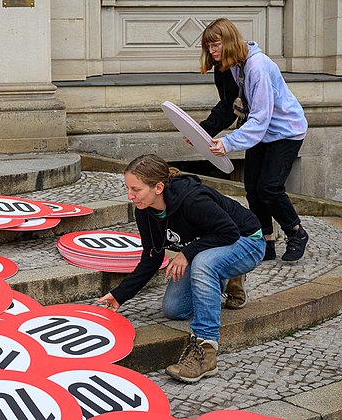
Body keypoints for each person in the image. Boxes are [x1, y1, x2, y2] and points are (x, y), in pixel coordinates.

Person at [97, 154, 264, 383]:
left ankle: (205, 351)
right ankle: (225, 276)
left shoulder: (193, 200)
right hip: (210, 247)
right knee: (174, 309)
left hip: (246, 241)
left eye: (135, 189)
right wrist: (119, 295)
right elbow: (152, 257)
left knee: (204, 263)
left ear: (157, 187)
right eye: (127, 188)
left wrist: (186, 253)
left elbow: (229, 232)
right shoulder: (144, 210)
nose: (130, 195)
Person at [198, 18, 309, 275]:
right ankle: (265, 242)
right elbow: (228, 105)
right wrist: (202, 132)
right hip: (259, 132)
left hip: (285, 131)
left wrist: (227, 143)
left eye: (215, 45)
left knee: (269, 187)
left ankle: (296, 232)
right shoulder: (225, 67)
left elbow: (260, 118)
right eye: (208, 47)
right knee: (253, 189)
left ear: (229, 41)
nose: (212, 52)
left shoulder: (258, 66)